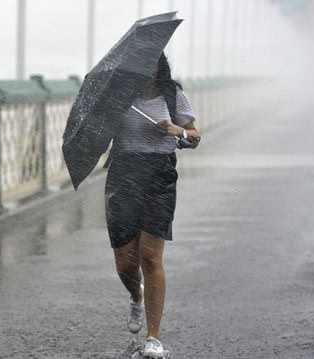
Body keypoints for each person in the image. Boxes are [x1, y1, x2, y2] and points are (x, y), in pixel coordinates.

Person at [104, 52, 199, 358]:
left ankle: (154, 338)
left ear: (159, 66)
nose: (147, 70)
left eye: (151, 64)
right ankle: (136, 296)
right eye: (140, 65)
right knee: (125, 263)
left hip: (159, 174)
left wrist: (177, 131)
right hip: (124, 174)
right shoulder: (119, 97)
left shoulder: (173, 94)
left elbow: (195, 137)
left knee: (150, 257)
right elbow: (99, 133)